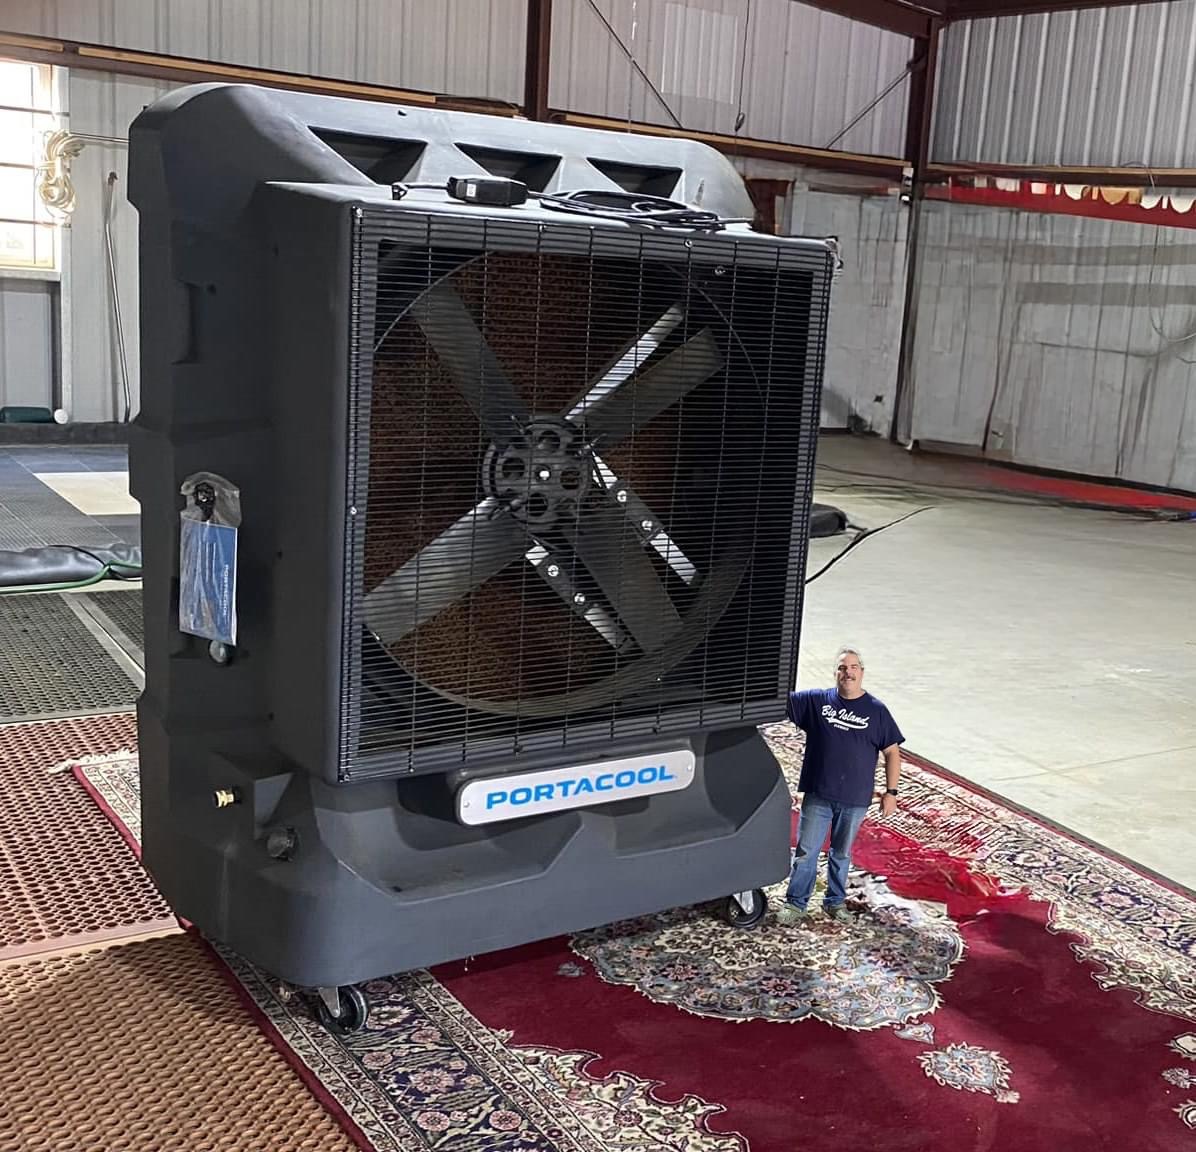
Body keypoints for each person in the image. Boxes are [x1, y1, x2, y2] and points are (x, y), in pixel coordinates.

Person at [775, 646, 904, 925]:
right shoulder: (815, 701)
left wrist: (891, 793)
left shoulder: (877, 711)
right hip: (818, 795)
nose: (848, 673)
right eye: (842, 668)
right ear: (835, 673)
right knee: (806, 853)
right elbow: (777, 699)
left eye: (853, 667)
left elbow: (892, 752)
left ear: (862, 672)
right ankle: (796, 904)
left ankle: (834, 902)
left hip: (855, 799)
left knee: (841, 854)